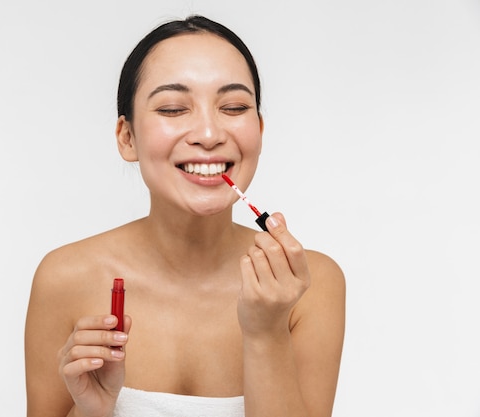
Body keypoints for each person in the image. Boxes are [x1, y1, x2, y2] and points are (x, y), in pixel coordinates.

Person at [24, 15, 345, 417]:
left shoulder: (310, 287)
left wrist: (266, 332)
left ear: (259, 130)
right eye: (174, 108)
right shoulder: (64, 277)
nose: (208, 134)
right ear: (127, 137)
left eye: (233, 106)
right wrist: (92, 410)